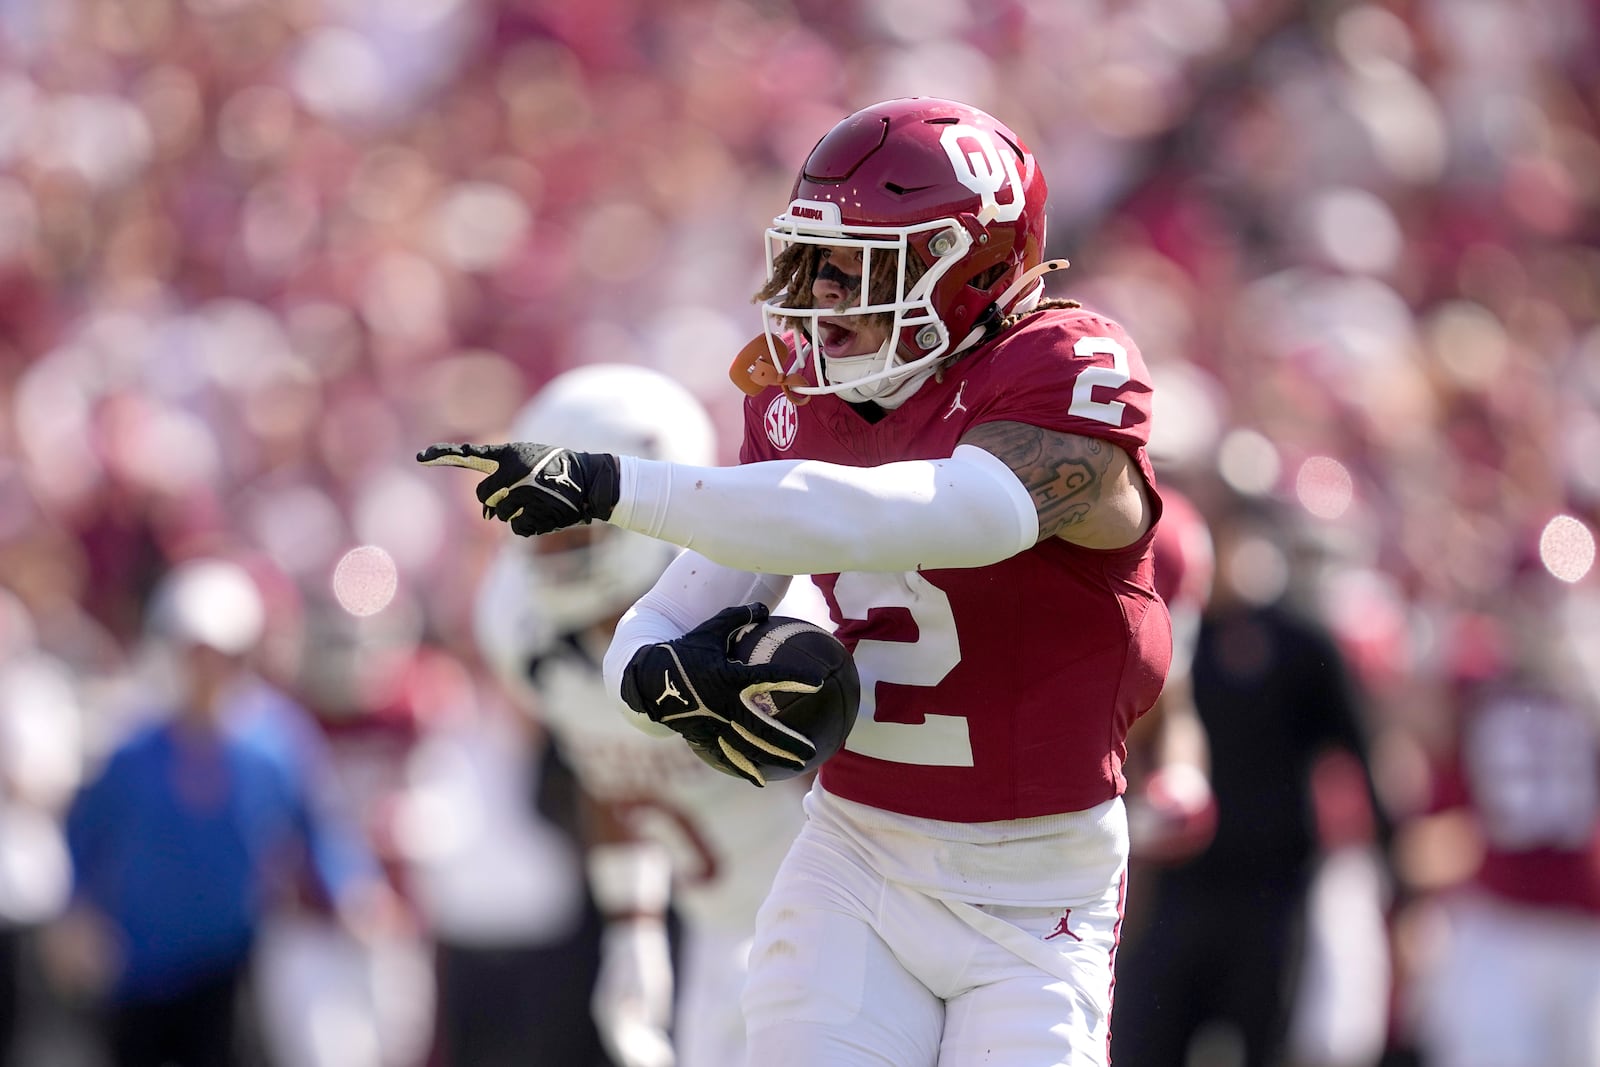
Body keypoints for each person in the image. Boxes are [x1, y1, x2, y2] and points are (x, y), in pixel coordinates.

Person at [421, 96, 1171, 1066]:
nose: (823, 293)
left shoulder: (1058, 371)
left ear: (972, 265)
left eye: (861, 262)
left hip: (1035, 893)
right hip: (852, 854)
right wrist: (658, 681)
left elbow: (922, 512)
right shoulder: (797, 395)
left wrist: (612, 486)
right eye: (814, 259)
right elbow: (670, 615)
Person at [456, 363, 815, 1067]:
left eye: (570, 520)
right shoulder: (524, 631)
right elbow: (607, 770)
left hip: (835, 921)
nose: (546, 542)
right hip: (714, 932)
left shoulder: (761, 615)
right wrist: (633, 926)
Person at [47, 558, 397, 1067]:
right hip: (141, 964)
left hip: (233, 960)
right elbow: (85, 836)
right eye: (196, 656)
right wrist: (76, 915)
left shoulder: (275, 743)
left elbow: (318, 827)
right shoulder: (130, 751)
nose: (208, 673)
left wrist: (352, 889)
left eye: (222, 657)